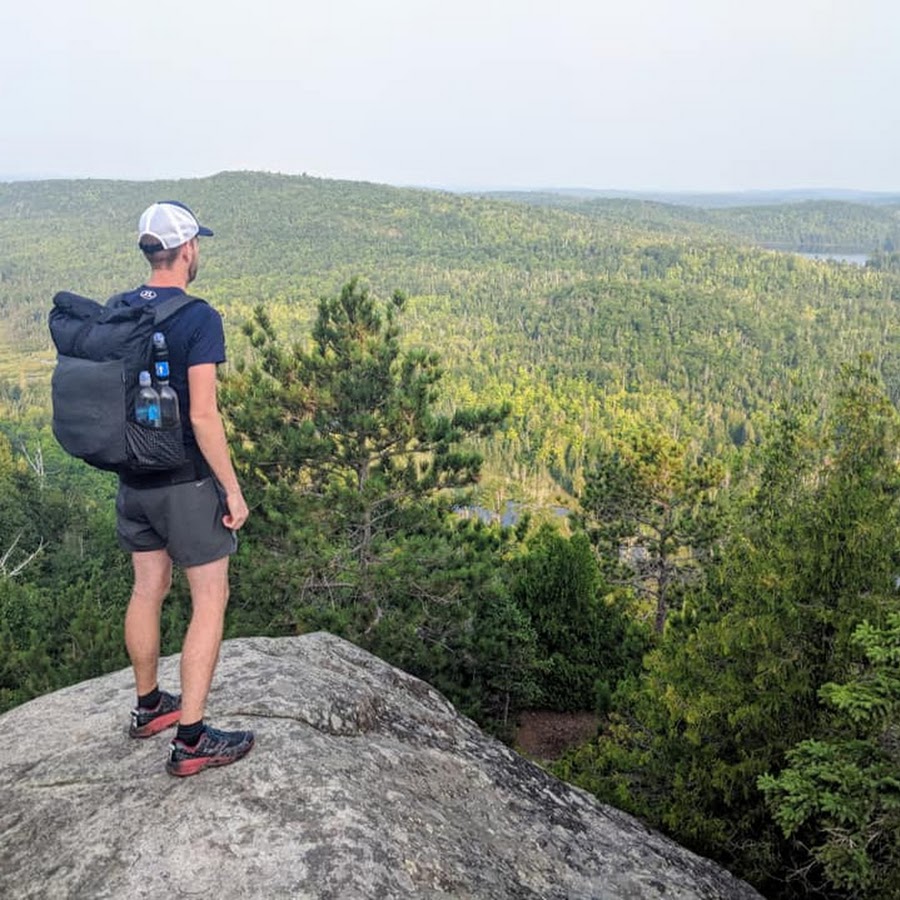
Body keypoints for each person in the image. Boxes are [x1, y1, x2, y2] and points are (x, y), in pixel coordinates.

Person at [120, 200, 253, 777]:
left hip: (132, 479)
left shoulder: (119, 309)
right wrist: (232, 489)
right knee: (210, 599)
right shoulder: (198, 318)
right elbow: (203, 416)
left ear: (150, 250)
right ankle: (192, 739)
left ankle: (150, 706)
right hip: (185, 483)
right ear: (188, 249)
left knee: (147, 589)